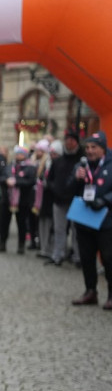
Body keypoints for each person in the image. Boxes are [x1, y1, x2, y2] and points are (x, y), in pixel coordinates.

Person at [67, 130, 112, 308]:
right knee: (86, 257)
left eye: (94, 147)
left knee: (108, 258)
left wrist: (105, 200)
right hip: (84, 217)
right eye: (87, 148)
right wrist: (76, 179)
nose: (90, 151)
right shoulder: (82, 164)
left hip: (106, 219)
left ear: (103, 148)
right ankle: (90, 291)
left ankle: (111, 294)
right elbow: (68, 188)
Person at [48, 130, 84, 266]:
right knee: (59, 229)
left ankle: (77, 256)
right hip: (59, 200)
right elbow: (50, 178)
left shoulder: (82, 160)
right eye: (67, 140)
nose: (69, 143)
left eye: (72, 140)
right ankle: (58, 254)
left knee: (77, 231)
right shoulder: (58, 161)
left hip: (76, 201)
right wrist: (54, 188)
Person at [3, 146, 38, 254]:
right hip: (8, 198)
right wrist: (6, 181)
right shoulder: (10, 166)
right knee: (4, 222)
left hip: (22, 200)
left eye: (21, 154)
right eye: (17, 154)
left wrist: (16, 182)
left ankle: (21, 244)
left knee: (21, 223)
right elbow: (1, 176)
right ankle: (2, 242)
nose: (18, 156)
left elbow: (31, 181)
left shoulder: (30, 167)